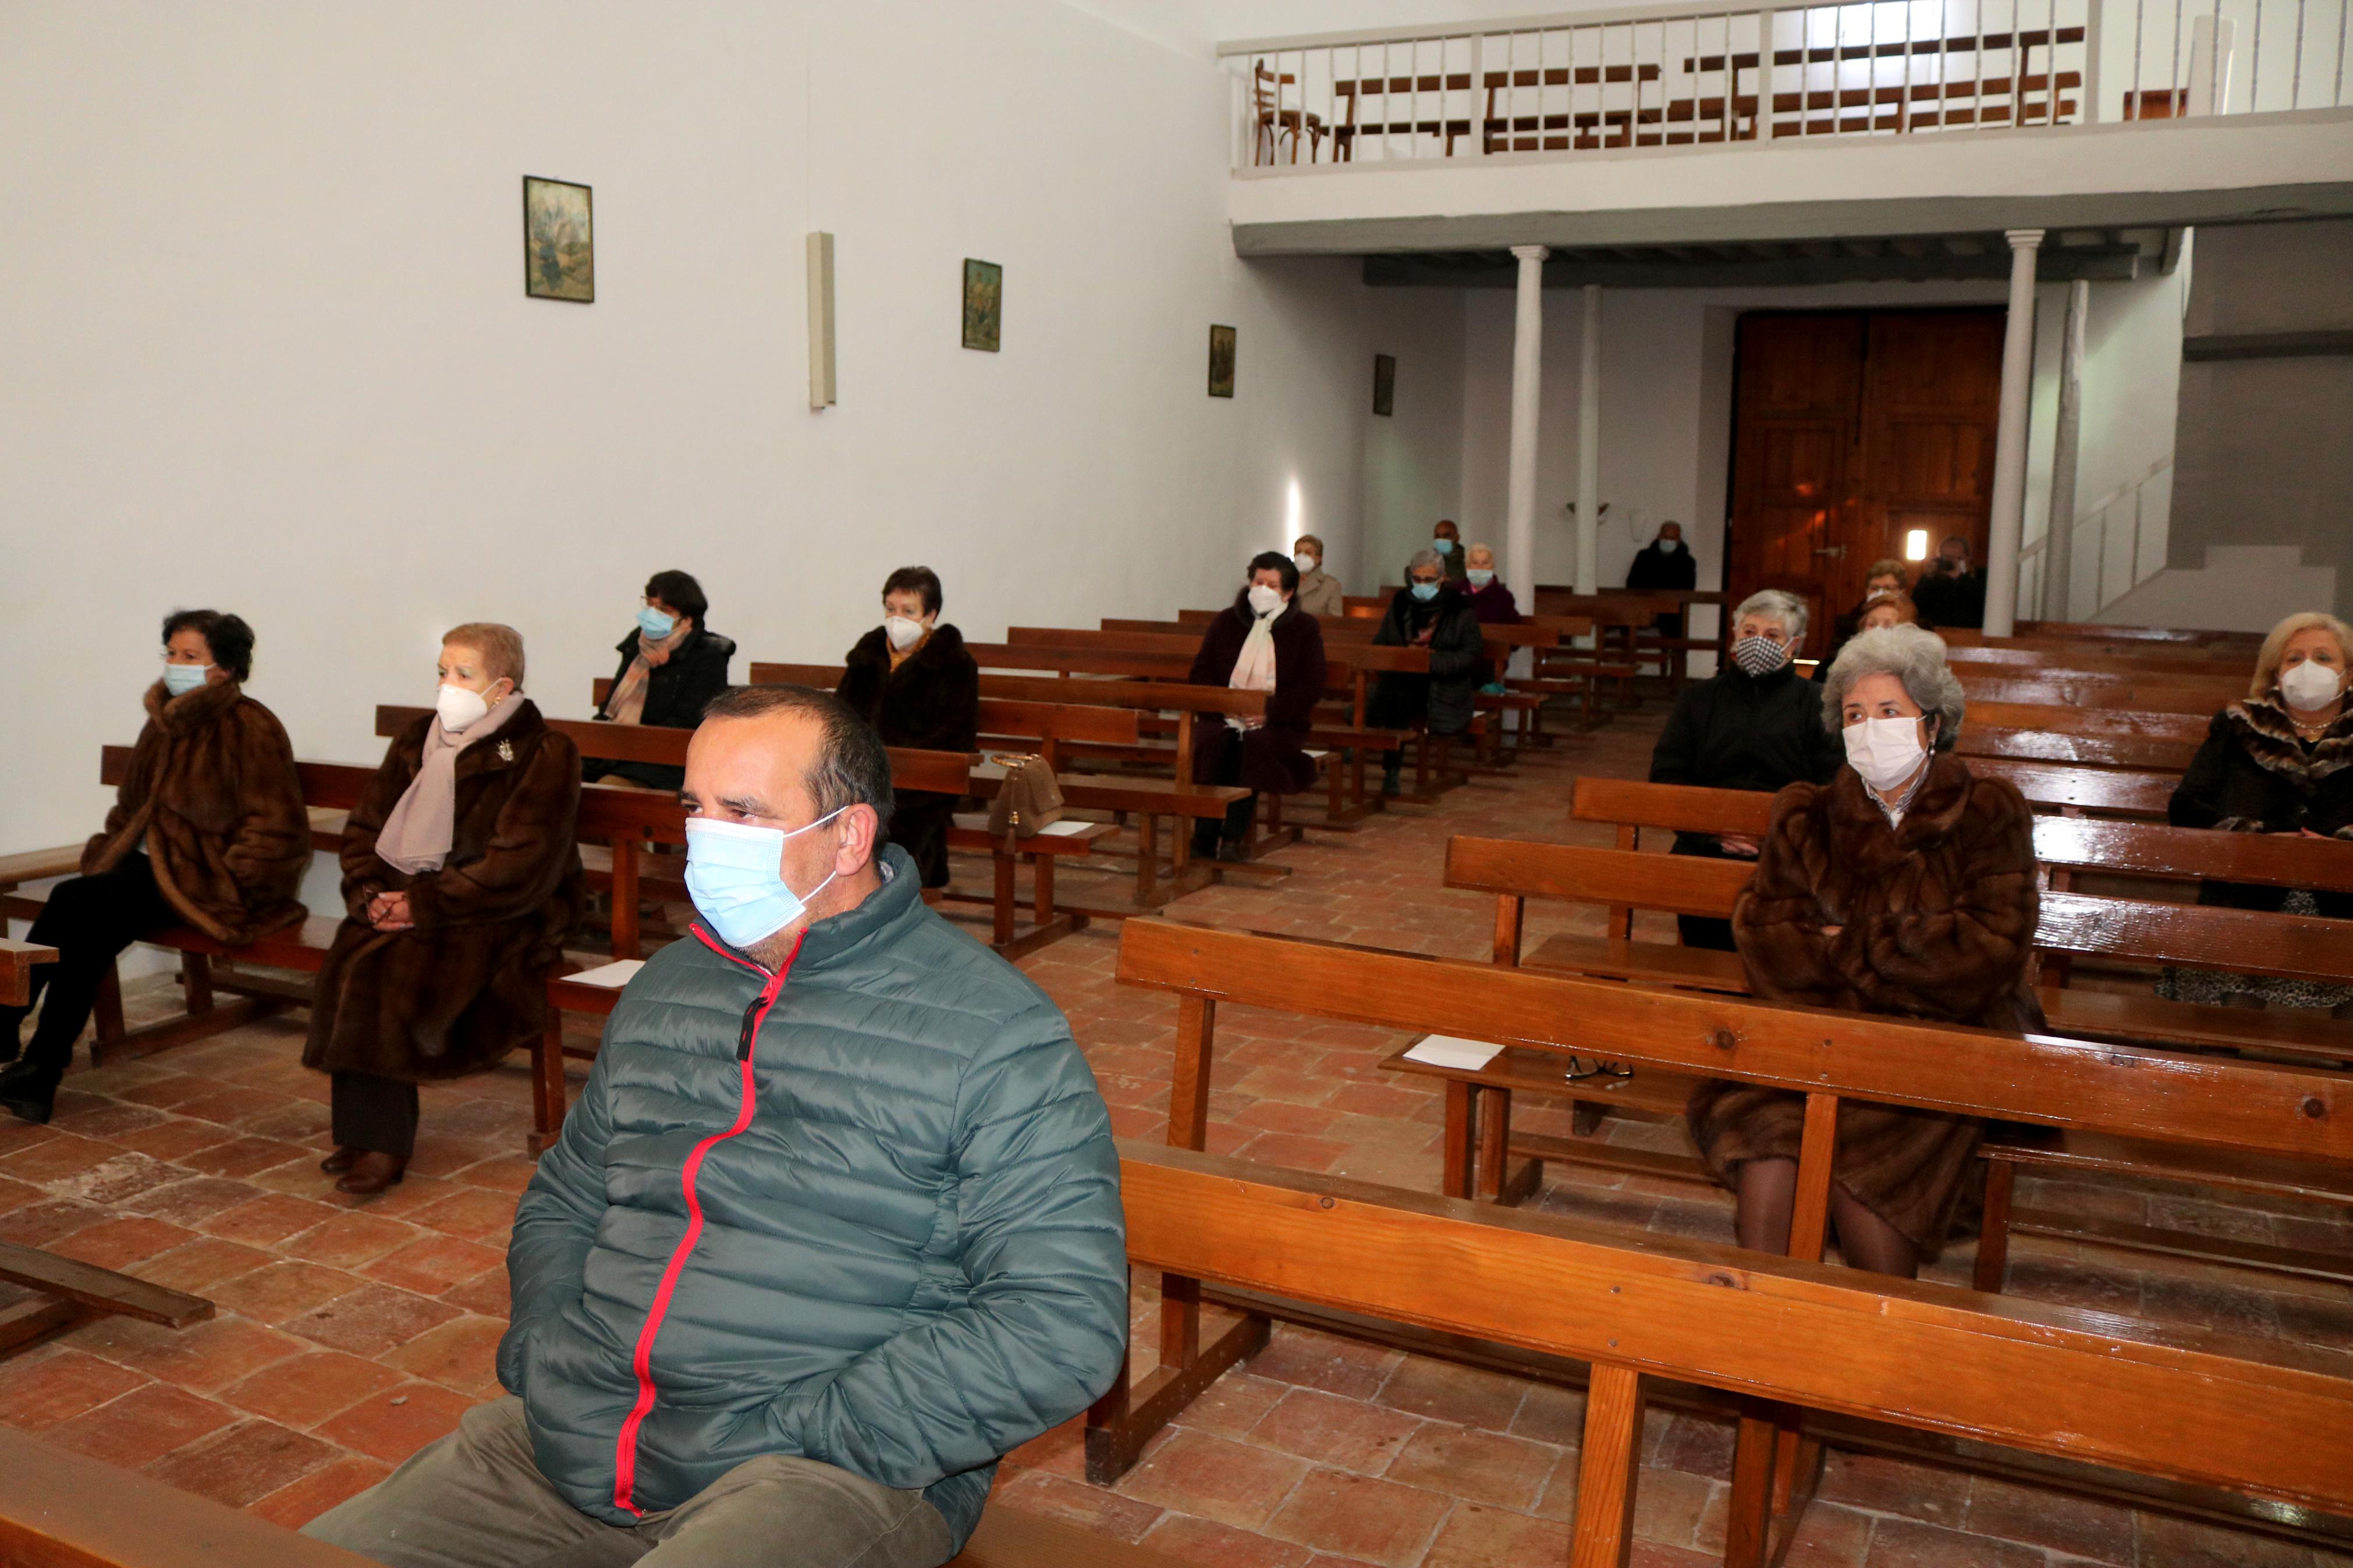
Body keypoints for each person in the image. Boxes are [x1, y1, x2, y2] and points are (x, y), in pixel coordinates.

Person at [302, 684, 1127, 1568]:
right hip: (582, 1428)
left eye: (742, 811)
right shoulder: (668, 986)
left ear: (847, 835)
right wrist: (547, 1352)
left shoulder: (993, 1032)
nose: (703, 837)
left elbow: (1061, 1318)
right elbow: (567, 1194)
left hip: (819, 1465)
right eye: (694, 806)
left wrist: (814, 1426)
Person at [1691, 624, 2040, 1279]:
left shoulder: (1985, 812)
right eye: (1854, 714)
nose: (1868, 728)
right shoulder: (1806, 814)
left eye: (1888, 712)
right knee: (1767, 1146)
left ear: (1930, 725)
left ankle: (1872, 1355)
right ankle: (1760, 1345)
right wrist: (1896, 952)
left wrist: (1843, 945)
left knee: (1864, 1178)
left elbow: (1986, 952)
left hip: (1941, 1040)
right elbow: (1767, 941)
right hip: (1816, 1035)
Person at [303, 624, 584, 1196]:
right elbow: (366, 827)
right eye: (442, 670)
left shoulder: (542, 751)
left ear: (502, 686)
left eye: (464, 674)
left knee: (389, 971)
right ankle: (360, 1131)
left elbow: (520, 863)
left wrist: (423, 905)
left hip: (502, 912)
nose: (447, 684)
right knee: (352, 955)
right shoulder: (417, 739)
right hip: (415, 898)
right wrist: (368, 893)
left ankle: (385, 1145)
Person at [0, 611, 308, 1124]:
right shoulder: (163, 722)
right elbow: (129, 806)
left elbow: (276, 828)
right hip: (143, 872)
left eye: (191, 656)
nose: (176, 664)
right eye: (171, 653)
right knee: (88, 930)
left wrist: (234, 882)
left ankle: (10, 1024)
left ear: (226, 668)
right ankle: (37, 1074)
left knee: (72, 900)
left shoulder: (250, 726)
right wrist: (108, 851)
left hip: (205, 881)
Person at [2161, 611, 2353, 1014]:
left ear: (2347, 673)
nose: (2307, 668)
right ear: (2274, 672)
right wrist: (2258, 839)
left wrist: (2340, 845)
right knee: (2230, 977)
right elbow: (2185, 807)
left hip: (2344, 899)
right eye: (2293, 658)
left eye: (2323, 658)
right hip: (2246, 893)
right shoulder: (2237, 726)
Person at [1647, 589, 1841, 951]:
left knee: (1779, 948)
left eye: (1772, 636)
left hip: (1787, 852)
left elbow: (1832, 783)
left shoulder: (1816, 705)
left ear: (1793, 645)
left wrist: (1774, 835)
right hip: (1706, 843)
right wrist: (1713, 830)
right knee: (1706, 943)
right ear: (1735, 637)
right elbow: (1667, 775)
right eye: (1750, 632)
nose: (1758, 643)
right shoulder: (1698, 700)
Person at [836, 567, 979, 890]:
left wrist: (899, 770)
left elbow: (957, 734)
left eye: (908, 611)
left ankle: (897, 903)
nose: (896, 618)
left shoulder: (955, 665)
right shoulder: (867, 658)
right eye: (891, 609)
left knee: (893, 833)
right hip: (863, 776)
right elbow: (842, 717)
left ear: (930, 615)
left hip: (923, 784)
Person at [1188, 552, 1329, 861]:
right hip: (1223, 716)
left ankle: (1234, 836)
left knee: (1252, 745)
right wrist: (1226, 706)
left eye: (1272, 585)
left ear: (1288, 593)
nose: (1263, 589)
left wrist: (1267, 712)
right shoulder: (1227, 621)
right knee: (1215, 741)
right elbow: (1201, 672)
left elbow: (1311, 686)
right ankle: (1204, 835)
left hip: (1279, 721)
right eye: (1258, 581)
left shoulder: (1304, 628)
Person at [590, 571, 736, 792]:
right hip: (620, 753)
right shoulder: (637, 646)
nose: (652, 614)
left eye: (664, 610)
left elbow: (690, 721)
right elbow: (611, 706)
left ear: (687, 620)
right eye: (650, 605)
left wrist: (630, 746)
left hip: (669, 762)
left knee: (608, 788)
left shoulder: (709, 656)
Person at [1369, 549, 1485, 797]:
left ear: (1442, 578)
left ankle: (1371, 732)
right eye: (1417, 579)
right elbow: (1381, 642)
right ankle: (1391, 770)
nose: (1422, 585)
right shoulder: (1401, 604)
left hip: (1440, 684)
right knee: (1397, 693)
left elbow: (1471, 654)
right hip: (1401, 677)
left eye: (1429, 580)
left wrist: (1432, 663)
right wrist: (1396, 659)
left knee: (1394, 695)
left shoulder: (1459, 608)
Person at [1813, 589, 1919, 682]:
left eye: (1888, 626)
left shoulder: (1917, 671)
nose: (1877, 631)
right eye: (1872, 625)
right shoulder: (1838, 665)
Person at [1626, 522, 1698, 635]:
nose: (1668, 541)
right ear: (1659, 536)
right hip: (1644, 608)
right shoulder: (1644, 557)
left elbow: (1688, 589)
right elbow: (1632, 583)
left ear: (1679, 540)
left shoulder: (1687, 562)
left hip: (1672, 614)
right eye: (1665, 537)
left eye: (1672, 538)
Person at [1911, 536, 1988, 630]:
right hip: (1937, 631)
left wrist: (1960, 577)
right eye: (1948, 558)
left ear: (1967, 558)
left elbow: (1984, 600)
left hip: (1972, 632)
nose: (1953, 562)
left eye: (1959, 558)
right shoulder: (1932, 578)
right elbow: (1916, 606)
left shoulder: (1980, 575)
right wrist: (1929, 576)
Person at [1460, 544, 1522, 625]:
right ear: (1467, 567)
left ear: (1492, 567)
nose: (1480, 567)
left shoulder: (1504, 597)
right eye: (1475, 563)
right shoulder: (1455, 592)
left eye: (1485, 563)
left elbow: (1512, 630)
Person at [1291, 534, 1346, 617]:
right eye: (1298, 552)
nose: (1302, 556)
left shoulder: (1331, 585)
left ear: (1318, 559)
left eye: (1308, 553)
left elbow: (1335, 622)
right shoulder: (1285, 580)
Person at [1429, 520, 1470, 584]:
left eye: (1446, 536)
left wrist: (1450, 581)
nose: (1441, 539)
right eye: (1438, 536)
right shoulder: (1427, 561)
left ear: (1457, 538)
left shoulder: (1468, 563)